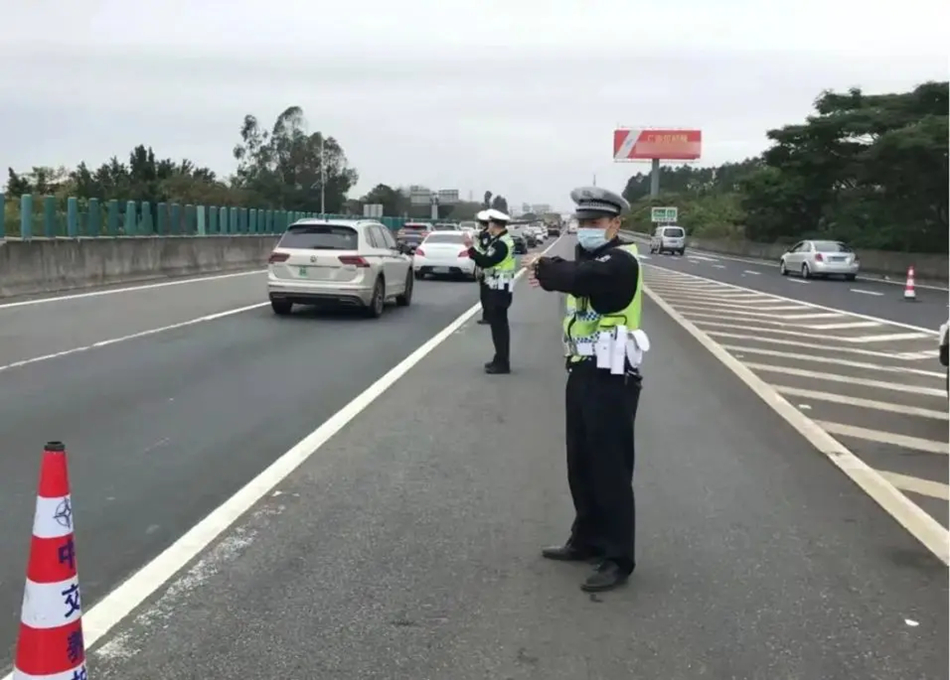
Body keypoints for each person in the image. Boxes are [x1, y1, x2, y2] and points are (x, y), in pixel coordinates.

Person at [524, 186, 648, 593]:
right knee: (580, 462)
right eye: (582, 222)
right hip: (582, 370)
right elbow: (572, 276)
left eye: (595, 222)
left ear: (615, 224)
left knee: (610, 468)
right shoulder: (591, 258)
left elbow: (576, 278)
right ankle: (586, 538)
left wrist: (545, 266)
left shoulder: (621, 261)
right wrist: (551, 268)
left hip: (612, 378)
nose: (587, 229)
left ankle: (617, 557)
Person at [467, 208, 516, 374]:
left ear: (494, 224)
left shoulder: (501, 244)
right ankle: (499, 358)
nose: (488, 227)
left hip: (499, 290)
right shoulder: (500, 241)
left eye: (489, 223)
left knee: (499, 328)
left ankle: (502, 363)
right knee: (497, 326)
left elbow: (486, 261)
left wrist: (470, 249)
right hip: (498, 287)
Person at [473, 210, 493, 325]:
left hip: (487, 268)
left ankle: (488, 317)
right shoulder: (486, 234)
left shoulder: (486, 235)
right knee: (487, 294)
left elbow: (484, 251)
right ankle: (489, 316)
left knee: (486, 294)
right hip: (488, 267)